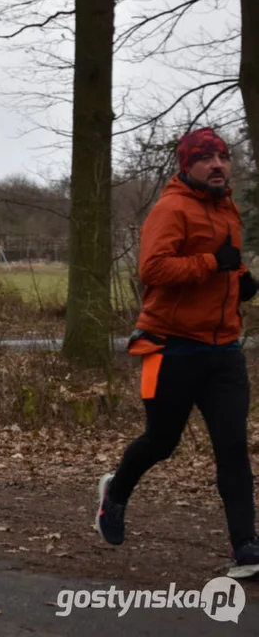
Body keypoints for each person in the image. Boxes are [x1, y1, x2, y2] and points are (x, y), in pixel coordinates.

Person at [96, 126, 259, 579]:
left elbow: (226, 259)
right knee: (162, 442)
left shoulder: (229, 209)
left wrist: (240, 279)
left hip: (223, 348)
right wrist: (213, 264)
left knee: (232, 448)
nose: (218, 165)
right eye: (206, 158)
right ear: (186, 166)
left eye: (223, 157)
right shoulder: (171, 208)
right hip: (171, 347)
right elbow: (153, 268)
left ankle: (245, 548)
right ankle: (116, 494)